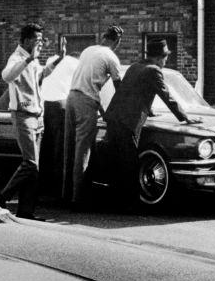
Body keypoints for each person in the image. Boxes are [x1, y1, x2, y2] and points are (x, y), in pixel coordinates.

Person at [104, 38, 201, 205]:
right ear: (158, 58)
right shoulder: (153, 71)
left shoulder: (135, 67)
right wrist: (185, 117)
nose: (166, 61)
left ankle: (114, 200)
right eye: (165, 57)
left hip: (113, 117)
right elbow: (167, 96)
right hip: (128, 122)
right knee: (130, 162)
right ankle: (130, 203)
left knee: (115, 159)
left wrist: (150, 111)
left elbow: (132, 92)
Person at [0, 24, 67, 219]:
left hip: (37, 116)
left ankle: (26, 211)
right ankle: (1, 197)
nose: (40, 43)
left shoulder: (32, 61)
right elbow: (6, 75)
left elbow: (42, 75)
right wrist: (28, 59)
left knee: (34, 169)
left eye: (41, 39)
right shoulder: (17, 58)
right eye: (37, 39)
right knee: (30, 164)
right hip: (23, 115)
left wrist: (59, 59)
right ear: (26, 41)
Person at [62, 25, 123, 207]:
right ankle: (78, 198)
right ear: (117, 41)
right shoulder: (112, 57)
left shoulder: (88, 50)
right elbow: (118, 87)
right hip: (86, 102)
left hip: (71, 98)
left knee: (69, 148)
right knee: (83, 150)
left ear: (103, 37)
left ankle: (66, 194)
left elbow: (88, 77)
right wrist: (116, 110)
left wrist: (102, 110)